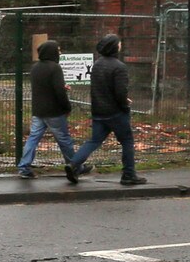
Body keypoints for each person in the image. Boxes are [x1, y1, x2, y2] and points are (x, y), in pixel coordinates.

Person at [69, 32, 143, 185]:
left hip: (99, 111)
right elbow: (120, 91)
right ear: (115, 47)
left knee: (94, 141)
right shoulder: (119, 67)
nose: (120, 45)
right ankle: (129, 174)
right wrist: (125, 104)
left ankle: (73, 164)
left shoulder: (97, 65)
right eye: (119, 43)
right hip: (115, 112)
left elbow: (99, 88)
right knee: (127, 141)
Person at [17, 40, 80, 182]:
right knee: (64, 139)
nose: (60, 52)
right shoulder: (55, 68)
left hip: (38, 110)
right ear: (52, 52)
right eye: (58, 50)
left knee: (33, 138)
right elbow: (58, 91)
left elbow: (43, 88)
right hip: (54, 111)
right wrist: (67, 107)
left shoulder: (35, 68)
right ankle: (74, 165)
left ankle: (24, 167)